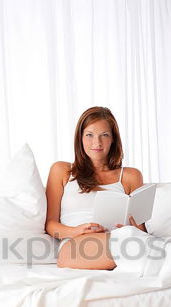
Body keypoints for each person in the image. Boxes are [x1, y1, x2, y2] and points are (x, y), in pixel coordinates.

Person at [45, 106, 147, 270]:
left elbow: (141, 231)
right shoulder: (62, 171)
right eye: (89, 135)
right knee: (138, 246)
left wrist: (133, 230)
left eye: (104, 135)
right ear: (80, 138)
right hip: (76, 245)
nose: (97, 143)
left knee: (135, 241)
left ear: (113, 139)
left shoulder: (131, 176)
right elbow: (50, 224)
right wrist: (77, 231)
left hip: (122, 239)